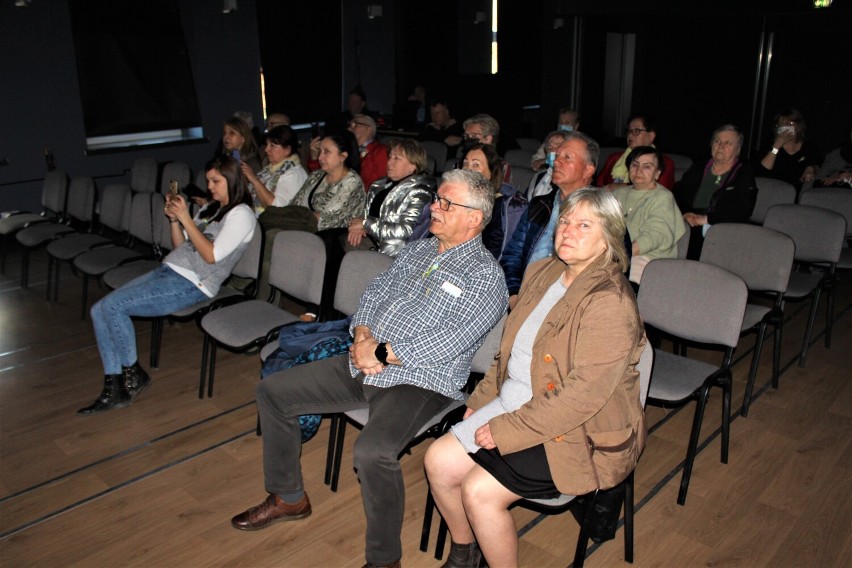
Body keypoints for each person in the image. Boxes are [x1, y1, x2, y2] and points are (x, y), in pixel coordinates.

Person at [230, 168, 509, 568]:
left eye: (446, 203)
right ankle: (288, 497)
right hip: (364, 359)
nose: (434, 206)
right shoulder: (421, 249)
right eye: (437, 199)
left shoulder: (486, 277)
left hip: (421, 382)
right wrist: (362, 336)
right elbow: (375, 291)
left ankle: (384, 561)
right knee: (273, 392)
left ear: (475, 218)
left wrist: (381, 354)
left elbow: (452, 340)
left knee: (373, 452)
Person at [423, 187, 647, 568]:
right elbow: (508, 350)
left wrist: (507, 429)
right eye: (564, 221)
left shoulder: (609, 302)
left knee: (479, 491)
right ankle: (465, 554)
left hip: (578, 431)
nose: (568, 230)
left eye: (584, 224)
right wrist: (480, 400)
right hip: (518, 402)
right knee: (437, 462)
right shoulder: (543, 272)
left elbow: (581, 398)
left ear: (609, 236)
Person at [78, 155, 256, 415]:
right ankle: (115, 384)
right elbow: (181, 246)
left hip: (194, 283)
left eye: (216, 181)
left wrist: (185, 218)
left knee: (114, 307)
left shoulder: (242, 214)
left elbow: (211, 256)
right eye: (208, 180)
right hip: (170, 270)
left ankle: (131, 375)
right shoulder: (212, 208)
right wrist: (175, 220)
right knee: (99, 310)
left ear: (232, 180)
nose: (210, 186)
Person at [500, 131, 599, 309]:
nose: (556, 162)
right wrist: (514, 294)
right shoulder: (539, 205)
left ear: (588, 170)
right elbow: (512, 255)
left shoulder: (602, 212)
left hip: (569, 305)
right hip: (524, 297)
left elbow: (612, 269)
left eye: (567, 157)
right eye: (556, 156)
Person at [674, 124, 757, 260]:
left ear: (738, 150)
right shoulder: (698, 168)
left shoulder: (744, 174)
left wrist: (706, 219)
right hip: (689, 223)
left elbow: (742, 210)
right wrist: (684, 214)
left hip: (720, 229)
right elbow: (678, 195)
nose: (721, 146)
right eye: (717, 141)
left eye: (728, 143)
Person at [347, 138, 435, 256]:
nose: (389, 162)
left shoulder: (420, 193)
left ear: (413, 166)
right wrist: (357, 225)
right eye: (390, 157)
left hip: (392, 253)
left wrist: (365, 223)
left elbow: (405, 232)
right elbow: (367, 215)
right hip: (370, 241)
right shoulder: (380, 185)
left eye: (396, 158)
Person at [612, 146, 686, 283]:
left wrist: (620, 255)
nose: (638, 170)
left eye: (647, 166)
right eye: (635, 165)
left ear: (657, 173)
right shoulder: (618, 194)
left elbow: (655, 235)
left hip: (648, 260)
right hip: (617, 256)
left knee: (606, 279)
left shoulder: (663, 197)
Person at [462, 143, 528, 261]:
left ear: (491, 172)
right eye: (465, 163)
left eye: (476, 165)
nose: (468, 169)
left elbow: (502, 254)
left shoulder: (504, 206)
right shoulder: (456, 199)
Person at [241, 125, 307, 216]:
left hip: (280, 227)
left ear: (287, 150)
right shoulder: (267, 171)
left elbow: (276, 209)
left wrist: (254, 180)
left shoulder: (294, 174)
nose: (266, 150)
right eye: (267, 145)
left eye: (272, 145)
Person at [596, 115, 676, 190]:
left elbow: (661, 191)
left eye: (636, 131)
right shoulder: (614, 158)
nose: (630, 135)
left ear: (651, 136)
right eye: (629, 131)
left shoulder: (665, 162)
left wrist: (625, 186)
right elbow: (599, 185)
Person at [757, 108, 822, 191]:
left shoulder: (809, 147)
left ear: (798, 127)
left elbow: (819, 167)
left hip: (799, 192)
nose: (786, 127)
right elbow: (762, 172)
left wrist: (811, 167)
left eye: (790, 123)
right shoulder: (769, 145)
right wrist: (776, 146)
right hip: (773, 190)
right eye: (782, 124)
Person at [348, 113, 389, 190]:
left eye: (355, 124)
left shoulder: (380, 151)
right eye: (350, 125)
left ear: (368, 129)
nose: (350, 128)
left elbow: (384, 183)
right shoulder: (347, 151)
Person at [526, 130, 570, 199]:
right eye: (550, 148)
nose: (554, 151)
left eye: (559, 147)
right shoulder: (538, 177)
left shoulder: (572, 182)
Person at [814, 123, 852, 188]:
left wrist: (848, 176)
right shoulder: (835, 155)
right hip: (833, 192)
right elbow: (819, 179)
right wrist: (838, 176)